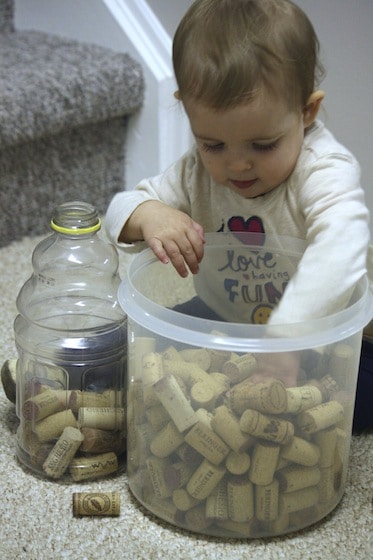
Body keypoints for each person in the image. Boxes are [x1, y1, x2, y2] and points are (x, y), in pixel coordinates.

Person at [106, 0, 372, 429]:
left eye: (263, 145)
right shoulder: (196, 170)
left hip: (318, 338)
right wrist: (150, 213)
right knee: (134, 354)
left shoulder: (324, 169)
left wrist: (289, 340)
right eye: (213, 144)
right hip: (221, 316)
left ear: (307, 112)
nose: (237, 166)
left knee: (350, 404)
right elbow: (119, 210)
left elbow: (343, 245)